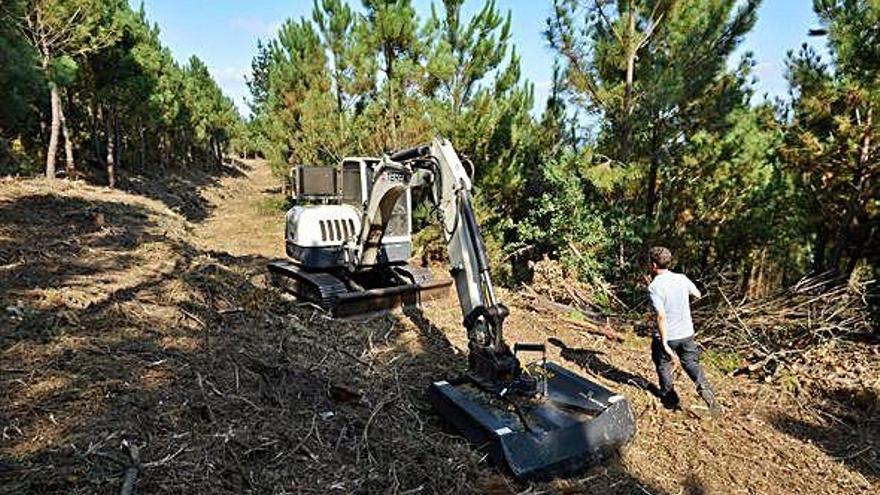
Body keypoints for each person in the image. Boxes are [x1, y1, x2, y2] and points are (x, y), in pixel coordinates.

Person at [647, 246, 719, 414]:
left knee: (663, 366)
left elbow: (661, 316)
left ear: (653, 265)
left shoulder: (654, 287)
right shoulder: (681, 278)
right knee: (691, 363)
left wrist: (664, 342)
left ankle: (670, 400)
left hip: (668, 335)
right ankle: (707, 393)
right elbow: (698, 294)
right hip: (687, 333)